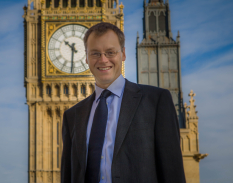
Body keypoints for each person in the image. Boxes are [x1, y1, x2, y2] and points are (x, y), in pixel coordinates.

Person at [61, 22, 186, 183]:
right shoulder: (72, 116)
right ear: (86, 57)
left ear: (123, 54)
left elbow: (172, 173)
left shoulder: (156, 101)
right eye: (95, 53)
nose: (103, 59)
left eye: (110, 52)